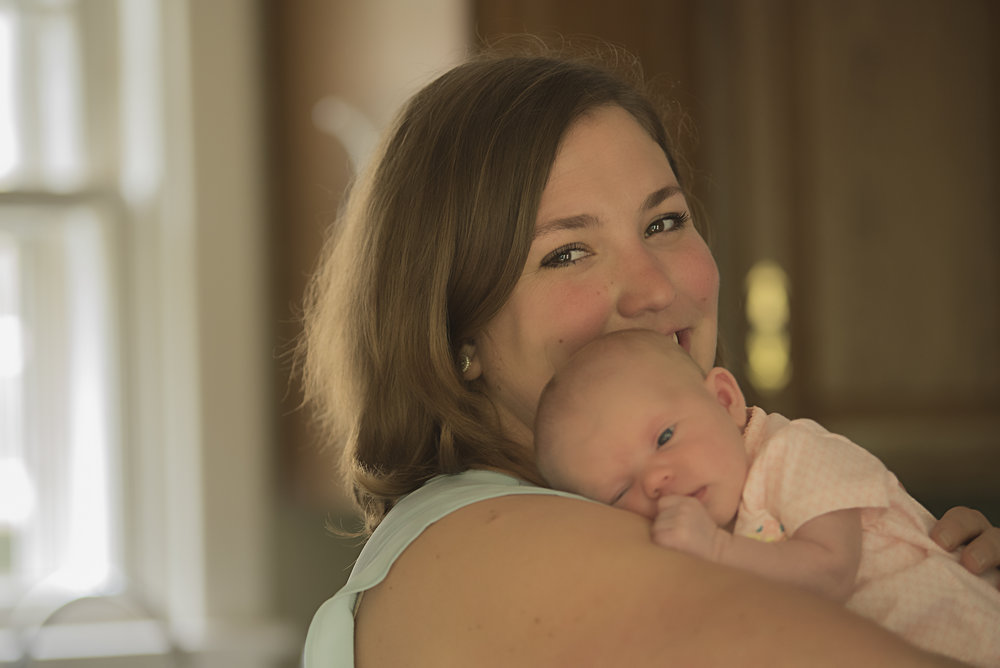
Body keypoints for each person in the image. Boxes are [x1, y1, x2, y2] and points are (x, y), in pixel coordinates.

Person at [299, 39, 1000, 666]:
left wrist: (938, 595)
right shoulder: (501, 542)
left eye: (664, 221)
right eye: (567, 251)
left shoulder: (705, 502)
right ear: (457, 337)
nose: (655, 288)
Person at [534, 328, 1000, 667]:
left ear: (723, 399)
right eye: (619, 491)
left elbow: (831, 571)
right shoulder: (693, 531)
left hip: (968, 636)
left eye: (665, 437)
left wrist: (717, 551)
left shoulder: (794, 452)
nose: (656, 480)